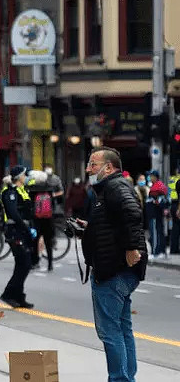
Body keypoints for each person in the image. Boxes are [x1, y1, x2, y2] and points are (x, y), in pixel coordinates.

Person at [77, 147, 147, 382]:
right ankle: (127, 377)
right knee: (122, 327)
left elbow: (132, 213)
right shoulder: (111, 189)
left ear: (109, 167)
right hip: (117, 269)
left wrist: (132, 248)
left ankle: (120, 379)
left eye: (93, 164)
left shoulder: (114, 187)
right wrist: (89, 229)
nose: (88, 169)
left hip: (112, 271)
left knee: (110, 331)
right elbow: (115, 222)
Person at [0, 166, 35, 309]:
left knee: (23, 264)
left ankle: (19, 296)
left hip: (23, 232)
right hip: (15, 231)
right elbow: (14, 214)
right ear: (19, 176)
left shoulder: (23, 190)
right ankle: (9, 294)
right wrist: (27, 229)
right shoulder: (10, 193)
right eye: (25, 174)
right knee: (24, 263)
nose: (26, 176)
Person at [146, 171, 169, 257]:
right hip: (155, 214)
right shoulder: (156, 186)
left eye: (151, 176)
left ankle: (156, 252)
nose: (150, 178)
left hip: (155, 215)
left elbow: (160, 201)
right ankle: (160, 251)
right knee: (158, 232)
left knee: (155, 233)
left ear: (155, 177)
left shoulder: (157, 187)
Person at [170, 169, 180, 254]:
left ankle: (173, 249)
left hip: (172, 204)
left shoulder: (172, 179)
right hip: (178, 205)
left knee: (175, 228)